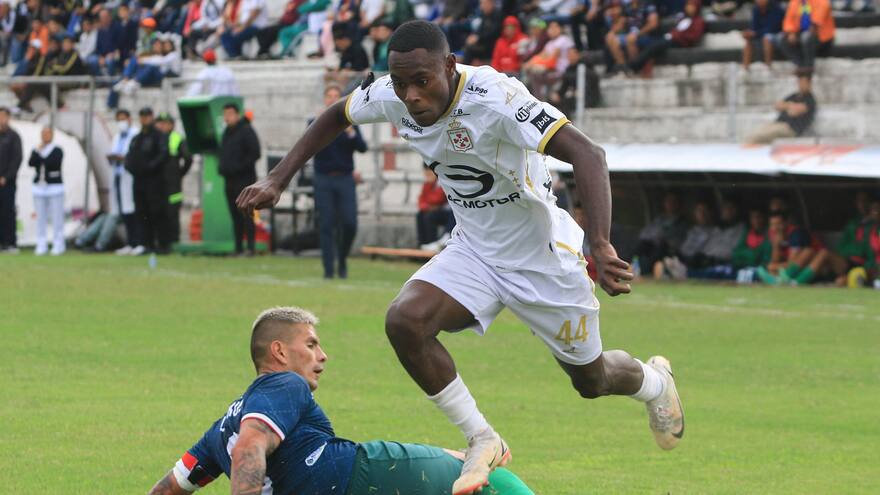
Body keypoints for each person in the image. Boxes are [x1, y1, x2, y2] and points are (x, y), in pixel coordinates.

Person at [236, 20, 684, 495]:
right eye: (401, 82)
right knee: (406, 321)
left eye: (421, 81)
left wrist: (601, 242)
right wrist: (279, 178)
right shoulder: (391, 93)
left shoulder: (498, 99)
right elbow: (335, 115)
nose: (409, 95)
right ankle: (482, 437)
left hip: (544, 258)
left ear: (449, 67)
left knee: (591, 380)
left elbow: (588, 154)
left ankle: (654, 383)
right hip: (475, 249)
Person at [146, 306, 536, 495]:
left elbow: (169, 488)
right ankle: (482, 449)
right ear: (280, 352)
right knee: (494, 481)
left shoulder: (219, 430)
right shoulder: (285, 384)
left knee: (477, 470)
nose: (323, 355)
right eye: (311, 344)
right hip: (371, 475)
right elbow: (250, 447)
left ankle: (478, 452)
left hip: (364, 480)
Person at [312, 85, 367, 279]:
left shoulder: (350, 123)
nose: (333, 99)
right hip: (323, 178)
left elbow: (362, 147)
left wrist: (350, 132)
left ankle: (342, 258)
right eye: (330, 96)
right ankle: (328, 270)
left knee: (349, 223)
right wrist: (321, 125)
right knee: (326, 225)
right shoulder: (316, 122)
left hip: (344, 178)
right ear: (325, 99)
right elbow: (309, 147)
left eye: (336, 96)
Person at [126, 107, 172, 254]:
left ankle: (163, 244)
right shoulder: (137, 138)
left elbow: (163, 155)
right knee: (142, 212)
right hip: (139, 181)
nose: (144, 119)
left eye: (147, 116)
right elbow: (130, 156)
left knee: (157, 212)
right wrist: (131, 167)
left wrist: (149, 167)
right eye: (142, 116)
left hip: (155, 181)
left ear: (151, 117)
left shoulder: (159, 136)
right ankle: (146, 243)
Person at [220, 103, 261, 255]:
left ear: (237, 114)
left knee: (247, 214)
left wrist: (238, 167)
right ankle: (238, 247)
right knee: (234, 214)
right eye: (225, 114)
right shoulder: (226, 132)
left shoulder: (246, 130)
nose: (227, 117)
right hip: (229, 180)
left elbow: (255, 153)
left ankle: (250, 247)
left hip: (244, 180)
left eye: (230, 114)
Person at [626, 0, 705, 76]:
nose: (689, 8)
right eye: (688, 5)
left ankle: (633, 66)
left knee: (654, 47)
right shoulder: (683, 18)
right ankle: (635, 65)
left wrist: (675, 36)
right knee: (652, 46)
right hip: (670, 38)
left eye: (692, 6)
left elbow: (693, 37)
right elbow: (677, 29)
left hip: (679, 42)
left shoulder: (698, 21)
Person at [746, 74, 816, 144]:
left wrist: (787, 106)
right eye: (800, 82)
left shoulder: (810, 99)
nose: (801, 84)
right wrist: (791, 105)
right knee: (757, 132)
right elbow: (777, 105)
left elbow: (795, 112)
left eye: (803, 82)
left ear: (809, 84)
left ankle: (748, 151)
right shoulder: (794, 96)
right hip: (778, 123)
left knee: (760, 136)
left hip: (790, 128)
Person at [156, 113, 193, 245]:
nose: (162, 126)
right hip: (158, 182)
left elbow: (188, 158)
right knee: (160, 212)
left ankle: (174, 241)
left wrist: (180, 173)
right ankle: (162, 241)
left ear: (172, 125)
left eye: (165, 123)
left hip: (173, 183)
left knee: (172, 212)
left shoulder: (177, 138)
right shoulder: (157, 138)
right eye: (160, 123)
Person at [28, 126, 65, 256]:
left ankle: (58, 244)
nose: (45, 136)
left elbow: (53, 163)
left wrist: (40, 157)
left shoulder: (57, 150)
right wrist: (38, 152)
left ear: (52, 135)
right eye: (43, 133)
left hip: (54, 187)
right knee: (40, 218)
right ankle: (41, 244)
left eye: (47, 133)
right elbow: (31, 163)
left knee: (56, 217)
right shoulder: (37, 149)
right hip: (39, 187)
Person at [633, 192, 689, 276]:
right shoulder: (660, 219)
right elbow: (645, 233)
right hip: (653, 245)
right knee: (642, 245)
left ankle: (645, 272)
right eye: (668, 201)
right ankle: (628, 267)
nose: (670, 204)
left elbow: (676, 241)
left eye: (673, 202)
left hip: (669, 250)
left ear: (678, 204)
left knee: (662, 246)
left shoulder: (681, 222)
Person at [777, 0, 834, 74]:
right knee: (782, 39)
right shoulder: (794, 2)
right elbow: (789, 20)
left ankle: (809, 65)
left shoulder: (821, 1)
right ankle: (800, 64)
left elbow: (819, 17)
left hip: (820, 34)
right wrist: (791, 32)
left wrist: (814, 25)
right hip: (800, 31)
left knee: (806, 37)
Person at [604, 0, 659, 76]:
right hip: (629, 34)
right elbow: (621, 22)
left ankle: (634, 67)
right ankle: (623, 66)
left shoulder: (648, 5)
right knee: (609, 37)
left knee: (630, 39)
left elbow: (653, 24)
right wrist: (612, 32)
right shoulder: (627, 6)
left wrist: (638, 34)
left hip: (645, 35)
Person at [523, 20, 574, 99]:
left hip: (560, 71)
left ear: (560, 29)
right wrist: (530, 63)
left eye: (554, 27)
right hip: (550, 70)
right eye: (550, 28)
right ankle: (540, 98)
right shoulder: (549, 43)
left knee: (534, 73)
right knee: (531, 71)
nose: (552, 30)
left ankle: (539, 99)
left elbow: (552, 60)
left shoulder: (563, 40)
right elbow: (540, 56)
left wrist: (536, 65)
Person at [0, 107, 23, 253]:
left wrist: (6, 177)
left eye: (3, 116)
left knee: (8, 212)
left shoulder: (14, 136)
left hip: (8, 183)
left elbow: (16, 159)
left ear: (8, 118)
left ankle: (10, 243)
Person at [416, 163, 454, 250]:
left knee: (430, 216)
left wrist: (429, 204)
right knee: (420, 215)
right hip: (436, 210)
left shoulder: (442, 182)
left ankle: (432, 243)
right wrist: (428, 207)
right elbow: (421, 201)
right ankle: (422, 244)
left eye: (429, 173)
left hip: (447, 213)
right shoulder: (428, 184)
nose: (427, 176)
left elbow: (438, 199)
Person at [741, 0, 784, 69]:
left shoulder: (776, 8)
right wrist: (749, 32)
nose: (759, 1)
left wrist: (755, 33)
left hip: (776, 34)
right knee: (748, 41)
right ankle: (745, 68)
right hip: (761, 34)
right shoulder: (756, 9)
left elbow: (773, 28)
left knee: (767, 38)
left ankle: (768, 66)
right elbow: (754, 26)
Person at [462, 0, 503, 66]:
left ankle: (465, 71)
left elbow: (494, 33)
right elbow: (480, 30)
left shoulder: (498, 15)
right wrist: (474, 37)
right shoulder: (484, 15)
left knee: (469, 50)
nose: (481, 7)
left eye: (483, 4)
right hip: (483, 43)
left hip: (492, 46)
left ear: (491, 3)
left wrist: (478, 38)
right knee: (467, 42)